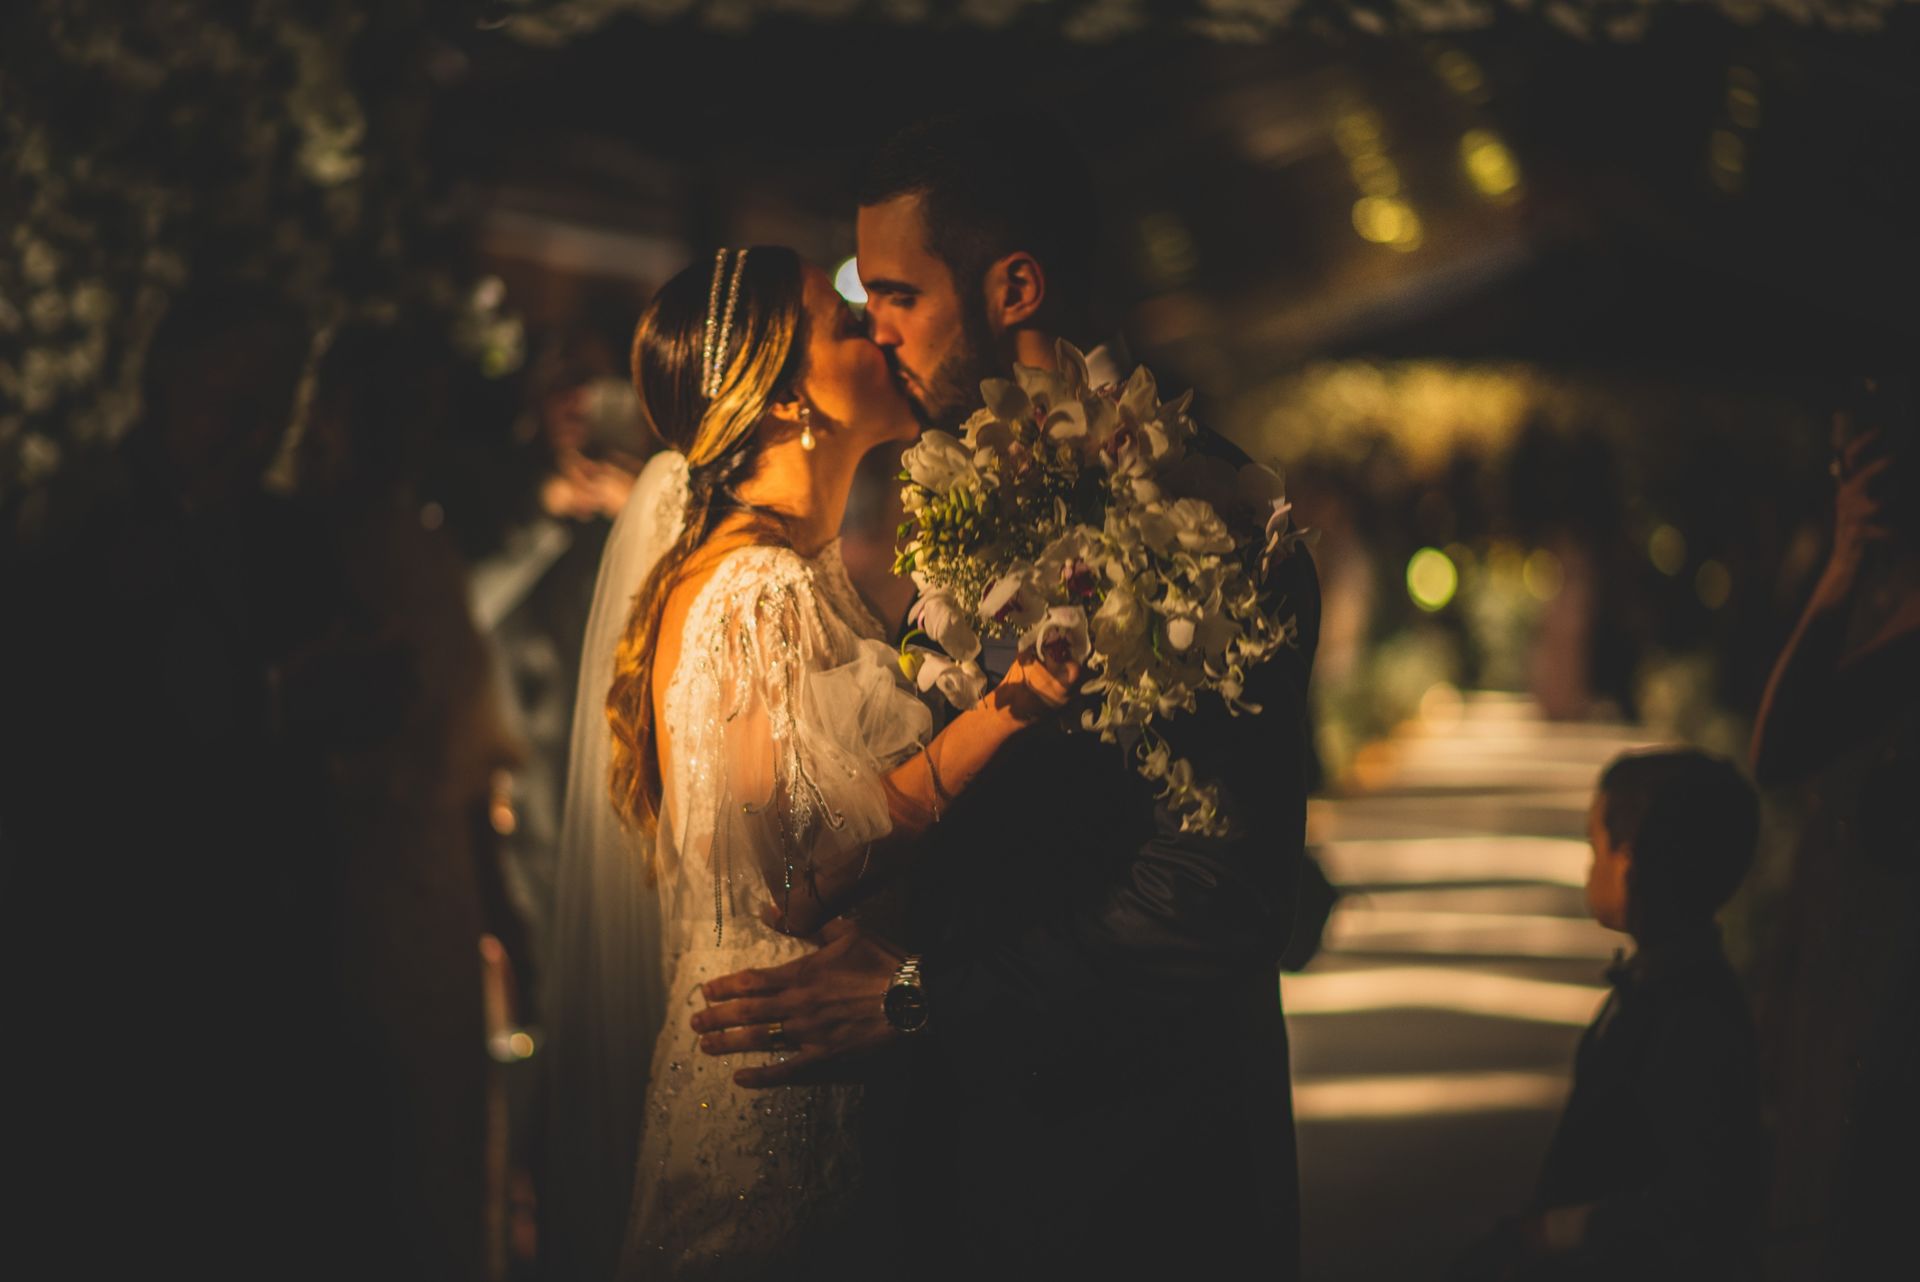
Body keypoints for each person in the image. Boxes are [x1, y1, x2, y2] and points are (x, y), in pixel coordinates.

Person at [693, 111, 1321, 1277]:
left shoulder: (1201, 516)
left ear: (1015, 287)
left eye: (897, 294)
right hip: (964, 1162)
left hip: (1138, 1178)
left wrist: (916, 998)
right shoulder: (949, 491)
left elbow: (1212, 896)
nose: (876, 329)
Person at [547, 244, 1079, 1280]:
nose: (878, 328)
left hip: (814, 1061)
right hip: (781, 1099)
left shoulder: (795, 571)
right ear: (791, 396)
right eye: (844, 320)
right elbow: (796, 878)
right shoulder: (757, 589)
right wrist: (1011, 705)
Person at [1452, 749, 1768, 1282]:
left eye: (1594, 846)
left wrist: (1553, 1232)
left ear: (1631, 859)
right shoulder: (1659, 986)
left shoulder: (1686, 1012)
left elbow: (1694, 1200)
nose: (1589, 868)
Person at [1748, 387, 1920, 1281]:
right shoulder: (1873, 599)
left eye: (1864, 465)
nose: (1854, 488)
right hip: (1840, 991)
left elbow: (1782, 748)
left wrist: (1848, 560)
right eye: (1844, 468)